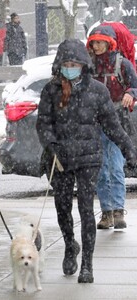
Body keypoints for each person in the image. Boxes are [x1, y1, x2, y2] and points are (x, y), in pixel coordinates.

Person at [36, 38, 137, 283]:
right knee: (62, 208)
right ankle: (70, 244)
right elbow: (43, 124)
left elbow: (113, 126)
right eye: (67, 63)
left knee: (85, 208)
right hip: (59, 158)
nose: (71, 67)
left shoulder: (97, 91)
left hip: (88, 157)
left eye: (75, 63)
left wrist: (129, 151)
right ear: (60, 65)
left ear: (83, 65)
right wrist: (51, 144)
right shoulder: (51, 90)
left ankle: (87, 265)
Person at [86, 25, 137, 230]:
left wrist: (130, 93)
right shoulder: (88, 65)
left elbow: (135, 85)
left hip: (116, 122)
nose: (96, 46)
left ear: (110, 43)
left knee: (115, 167)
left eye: (99, 42)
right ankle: (106, 212)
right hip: (94, 123)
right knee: (100, 170)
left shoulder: (122, 64)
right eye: (94, 42)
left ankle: (118, 210)